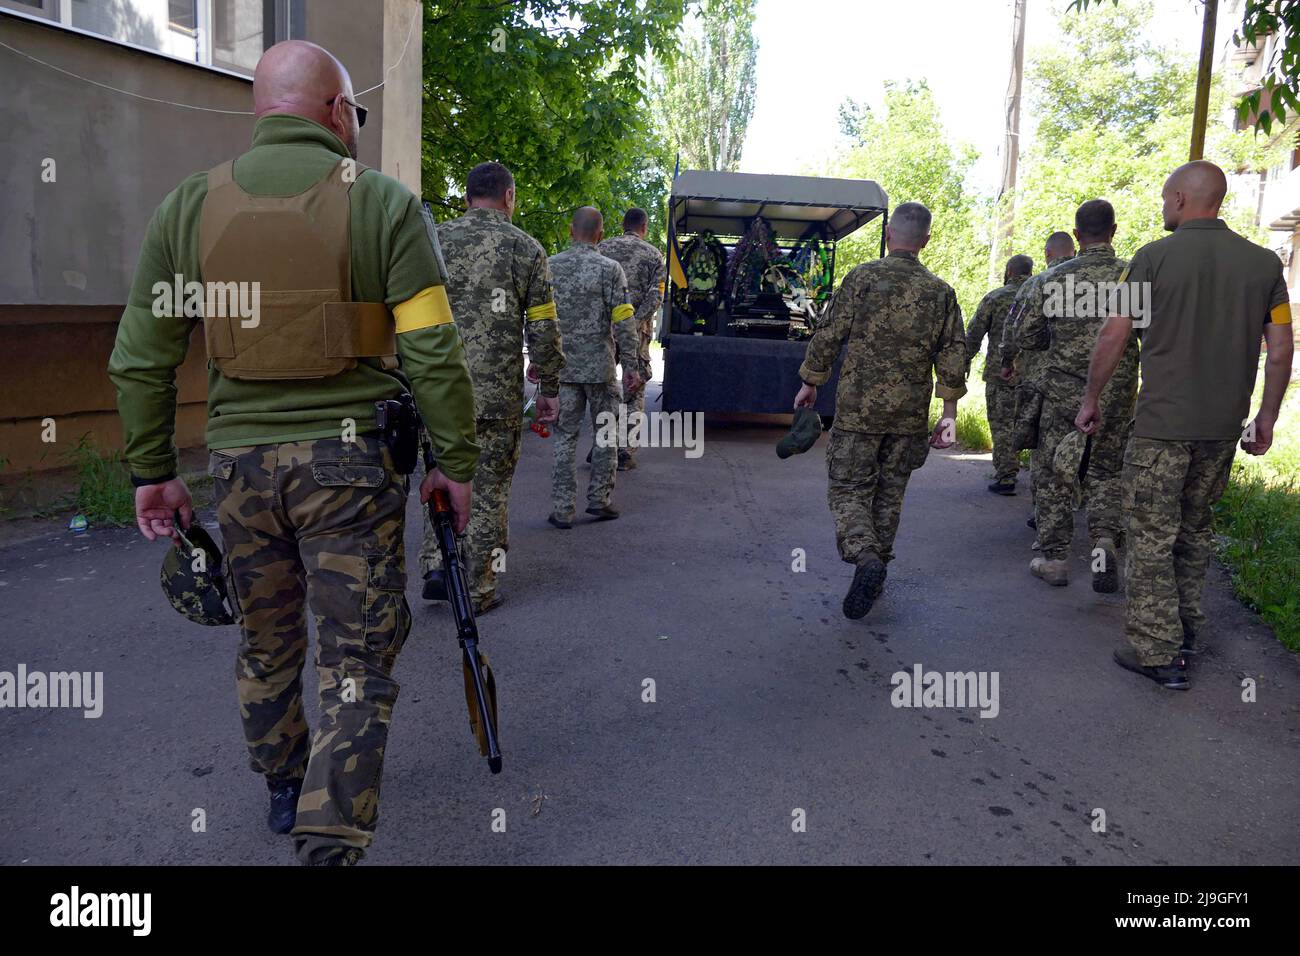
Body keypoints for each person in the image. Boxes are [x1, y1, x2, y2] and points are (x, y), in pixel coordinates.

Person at [107, 41, 479, 865]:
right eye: (358, 113)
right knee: (356, 656)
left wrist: (152, 471)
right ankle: (329, 840)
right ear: (338, 112)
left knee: (267, 635)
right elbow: (432, 350)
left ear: (262, 112)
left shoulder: (188, 206)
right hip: (349, 470)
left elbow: (141, 357)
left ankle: (282, 785)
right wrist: (455, 460)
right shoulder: (381, 203)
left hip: (239, 468)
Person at [1077, 160, 1293, 689]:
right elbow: (1282, 345)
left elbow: (1114, 333)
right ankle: (1188, 630)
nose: (1161, 206)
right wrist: (1266, 416)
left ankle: (1158, 651)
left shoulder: (1152, 258)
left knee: (1150, 535)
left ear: (1178, 199)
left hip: (1160, 428)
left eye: (1162, 197)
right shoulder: (1265, 265)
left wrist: (1091, 398)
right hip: (1221, 429)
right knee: (1194, 530)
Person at [794, 201, 966, 620]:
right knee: (890, 494)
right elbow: (953, 354)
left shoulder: (863, 278)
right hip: (908, 416)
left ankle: (864, 555)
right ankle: (879, 572)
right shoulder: (940, 292)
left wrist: (810, 381)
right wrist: (949, 413)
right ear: (926, 240)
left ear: (888, 233)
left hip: (858, 412)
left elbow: (830, 333)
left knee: (849, 490)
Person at [418, 161, 565, 614]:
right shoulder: (526, 249)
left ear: (466, 196)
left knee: (440, 475)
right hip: (496, 396)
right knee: (490, 491)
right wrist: (549, 386)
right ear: (509, 197)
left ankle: (438, 563)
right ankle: (479, 588)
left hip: (435, 391)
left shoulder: (433, 240)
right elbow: (542, 327)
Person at [1016, 200, 1135, 592]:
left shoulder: (1051, 280)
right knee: (1105, 471)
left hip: (1065, 392)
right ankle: (1103, 543)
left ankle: (1055, 560)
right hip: (1116, 394)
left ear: (1078, 235)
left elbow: (1025, 336)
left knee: (1053, 472)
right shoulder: (1134, 278)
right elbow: (1155, 340)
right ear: (1113, 231)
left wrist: (1059, 339)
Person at [547, 207, 642, 527]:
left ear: (572, 230)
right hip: (600, 369)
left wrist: (540, 362)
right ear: (600, 236)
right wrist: (630, 365)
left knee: (565, 438)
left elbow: (539, 320)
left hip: (564, 370)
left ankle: (562, 508)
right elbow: (624, 321)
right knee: (606, 434)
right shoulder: (610, 269)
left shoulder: (551, 267)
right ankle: (599, 500)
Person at [999, 231, 1077, 536]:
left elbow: (1017, 330)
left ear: (1047, 254)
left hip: (1050, 383)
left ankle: (1047, 521)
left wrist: (1009, 362)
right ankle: (1105, 534)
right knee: (1102, 462)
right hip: (1111, 385)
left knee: (1047, 453)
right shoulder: (1124, 277)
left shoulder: (1040, 283)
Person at [598, 207, 666, 471]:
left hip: (603, 329)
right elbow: (656, 295)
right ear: (645, 227)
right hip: (636, 332)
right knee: (634, 387)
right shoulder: (653, 255)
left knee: (603, 385)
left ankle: (602, 446)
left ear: (622, 224)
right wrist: (634, 322)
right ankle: (625, 450)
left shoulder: (603, 248)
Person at [965, 254, 1033, 495]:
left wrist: (963, 361)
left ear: (1009, 271)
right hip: (1034, 374)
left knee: (1002, 425)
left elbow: (974, 333)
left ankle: (1006, 476)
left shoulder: (995, 297)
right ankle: (1042, 481)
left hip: (1000, 373)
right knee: (1037, 426)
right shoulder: (1042, 294)